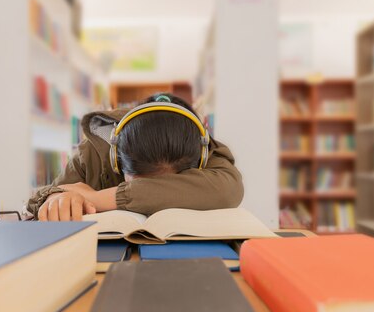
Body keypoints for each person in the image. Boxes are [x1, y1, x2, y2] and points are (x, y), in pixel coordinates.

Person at [26, 93, 243, 221]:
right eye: (142, 180)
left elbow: (228, 190)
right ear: (116, 157)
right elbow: (44, 198)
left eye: (171, 183)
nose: (157, 190)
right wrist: (55, 200)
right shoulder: (93, 151)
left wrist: (97, 198)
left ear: (201, 158)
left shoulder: (203, 149)